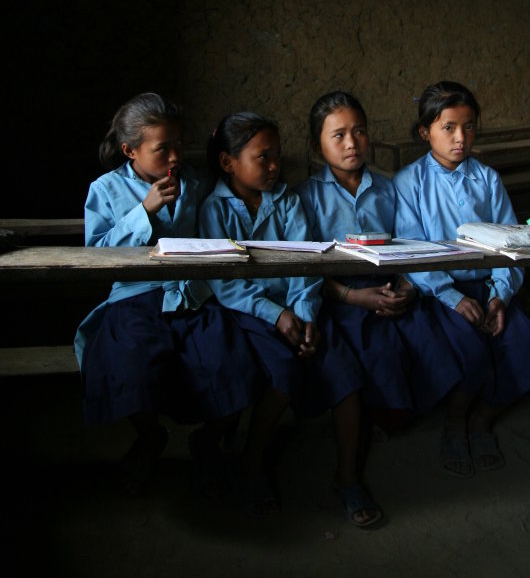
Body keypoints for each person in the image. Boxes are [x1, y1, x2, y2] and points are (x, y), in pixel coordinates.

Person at [199, 111, 382, 527]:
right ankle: (252, 464)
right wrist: (277, 314)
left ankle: (348, 478)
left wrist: (305, 314)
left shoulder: (287, 200)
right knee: (282, 373)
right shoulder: (215, 209)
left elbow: (307, 263)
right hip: (249, 313)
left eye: (277, 156)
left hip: (301, 308)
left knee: (345, 377)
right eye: (262, 157)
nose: (275, 166)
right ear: (229, 163)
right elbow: (226, 285)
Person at [75, 92, 260, 497]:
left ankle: (207, 440)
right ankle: (149, 435)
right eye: (163, 149)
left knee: (230, 358)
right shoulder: (105, 189)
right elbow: (97, 255)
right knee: (130, 363)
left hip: (190, 292)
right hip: (135, 297)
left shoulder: (194, 181)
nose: (175, 156)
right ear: (130, 150)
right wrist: (145, 211)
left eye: (179, 144)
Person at [393, 81, 530, 477]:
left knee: (526, 345)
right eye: (449, 128)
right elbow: (413, 252)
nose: (461, 138)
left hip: (490, 286)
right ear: (425, 131)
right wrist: (451, 297)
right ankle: (454, 424)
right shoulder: (409, 183)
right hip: (439, 289)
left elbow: (511, 243)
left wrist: (499, 296)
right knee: (470, 350)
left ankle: (481, 419)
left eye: (470, 126)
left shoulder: (487, 179)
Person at [295, 90, 462, 435]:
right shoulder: (306, 197)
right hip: (337, 295)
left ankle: (408, 410)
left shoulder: (387, 189)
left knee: (427, 337)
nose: (351, 143)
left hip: (389, 285)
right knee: (371, 346)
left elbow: (408, 243)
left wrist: (409, 288)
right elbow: (306, 268)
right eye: (338, 135)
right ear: (316, 146)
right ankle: (380, 412)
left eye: (359, 131)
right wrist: (352, 296)